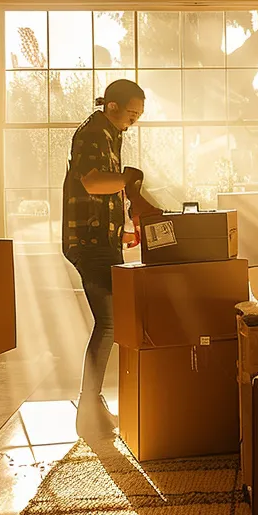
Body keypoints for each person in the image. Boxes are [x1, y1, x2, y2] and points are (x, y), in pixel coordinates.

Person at [64, 79, 148, 440]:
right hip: (88, 240)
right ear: (112, 106)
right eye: (131, 113)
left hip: (104, 238)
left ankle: (91, 405)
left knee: (110, 323)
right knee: (109, 323)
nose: (134, 121)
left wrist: (124, 225)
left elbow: (107, 191)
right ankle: (88, 407)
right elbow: (93, 182)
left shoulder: (113, 134)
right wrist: (130, 179)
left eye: (138, 116)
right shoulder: (92, 133)